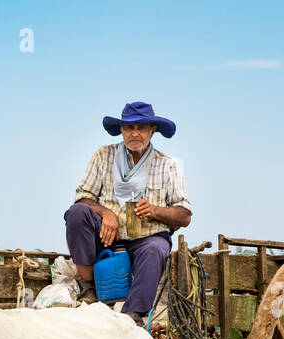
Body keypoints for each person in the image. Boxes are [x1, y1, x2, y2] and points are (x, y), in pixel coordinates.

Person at [64, 101, 192, 327]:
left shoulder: (169, 164)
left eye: (141, 128)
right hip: (107, 239)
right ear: (121, 130)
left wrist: (155, 210)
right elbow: (83, 196)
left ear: (152, 130)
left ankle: (132, 317)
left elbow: (184, 215)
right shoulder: (103, 156)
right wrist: (107, 214)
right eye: (129, 128)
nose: (135, 133)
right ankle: (88, 289)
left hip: (146, 239)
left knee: (155, 249)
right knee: (77, 213)